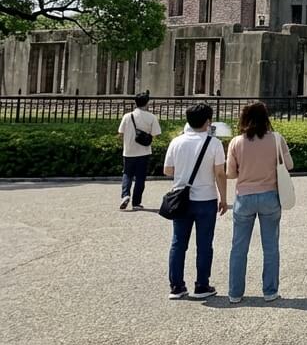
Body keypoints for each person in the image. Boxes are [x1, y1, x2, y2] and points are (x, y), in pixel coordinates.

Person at [226, 101, 293, 303]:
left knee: (239, 247)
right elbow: (288, 164)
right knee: (271, 246)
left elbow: (230, 173)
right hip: (270, 195)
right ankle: (270, 291)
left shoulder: (236, 142)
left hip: (244, 196)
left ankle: (235, 293)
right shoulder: (276, 139)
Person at [162, 103, 227, 300]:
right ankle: (202, 285)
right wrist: (224, 198)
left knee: (178, 243)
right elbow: (219, 174)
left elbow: (168, 170)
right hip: (205, 198)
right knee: (204, 244)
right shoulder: (213, 143)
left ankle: (176, 286)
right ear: (208, 122)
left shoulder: (177, 142)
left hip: (181, 198)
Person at [118, 91, 161, 211]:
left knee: (127, 174)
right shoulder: (151, 117)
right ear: (147, 103)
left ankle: (125, 195)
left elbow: (121, 133)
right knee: (140, 178)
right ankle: (136, 202)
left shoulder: (127, 116)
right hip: (144, 151)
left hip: (129, 150)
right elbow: (155, 134)